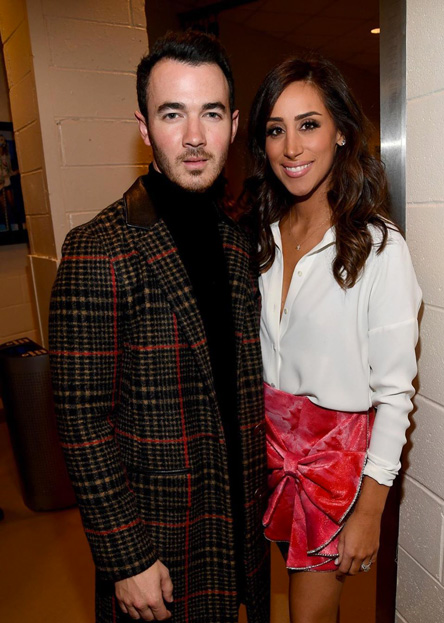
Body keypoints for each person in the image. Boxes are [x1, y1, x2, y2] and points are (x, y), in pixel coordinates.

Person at [49, 31, 269, 623]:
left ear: (232, 125)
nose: (194, 136)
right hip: (159, 544)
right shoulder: (97, 248)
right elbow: (80, 420)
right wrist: (126, 556)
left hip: (239, 530)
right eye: (173, 114)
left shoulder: (238, 243)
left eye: (211, 114)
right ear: (145, 127)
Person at [245, 55, 422, 623]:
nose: (291, 147)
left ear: (341, 131)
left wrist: (371, 509)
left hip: (332, 472)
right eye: (276, 130)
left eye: (309, 124)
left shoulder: (379, 246)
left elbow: (395, 394)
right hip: (266, 458)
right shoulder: (260, 238)